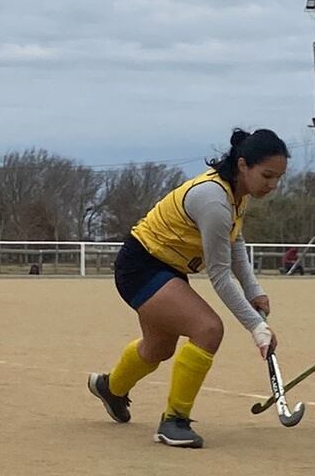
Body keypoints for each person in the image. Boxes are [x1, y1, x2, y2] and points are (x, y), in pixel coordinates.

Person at [87, 128, 289, 448]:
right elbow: (220, 275)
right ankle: (174, 421)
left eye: (278, 178)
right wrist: (256, 327)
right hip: (141, 266)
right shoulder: (213, 198)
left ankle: (110, 388)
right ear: (242, 165)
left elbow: (234, 242)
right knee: (208, 329)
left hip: (165, 268)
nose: (273, 185)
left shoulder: (238, 195)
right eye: (267, 175)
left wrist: (254, 291)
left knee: (158, 349)